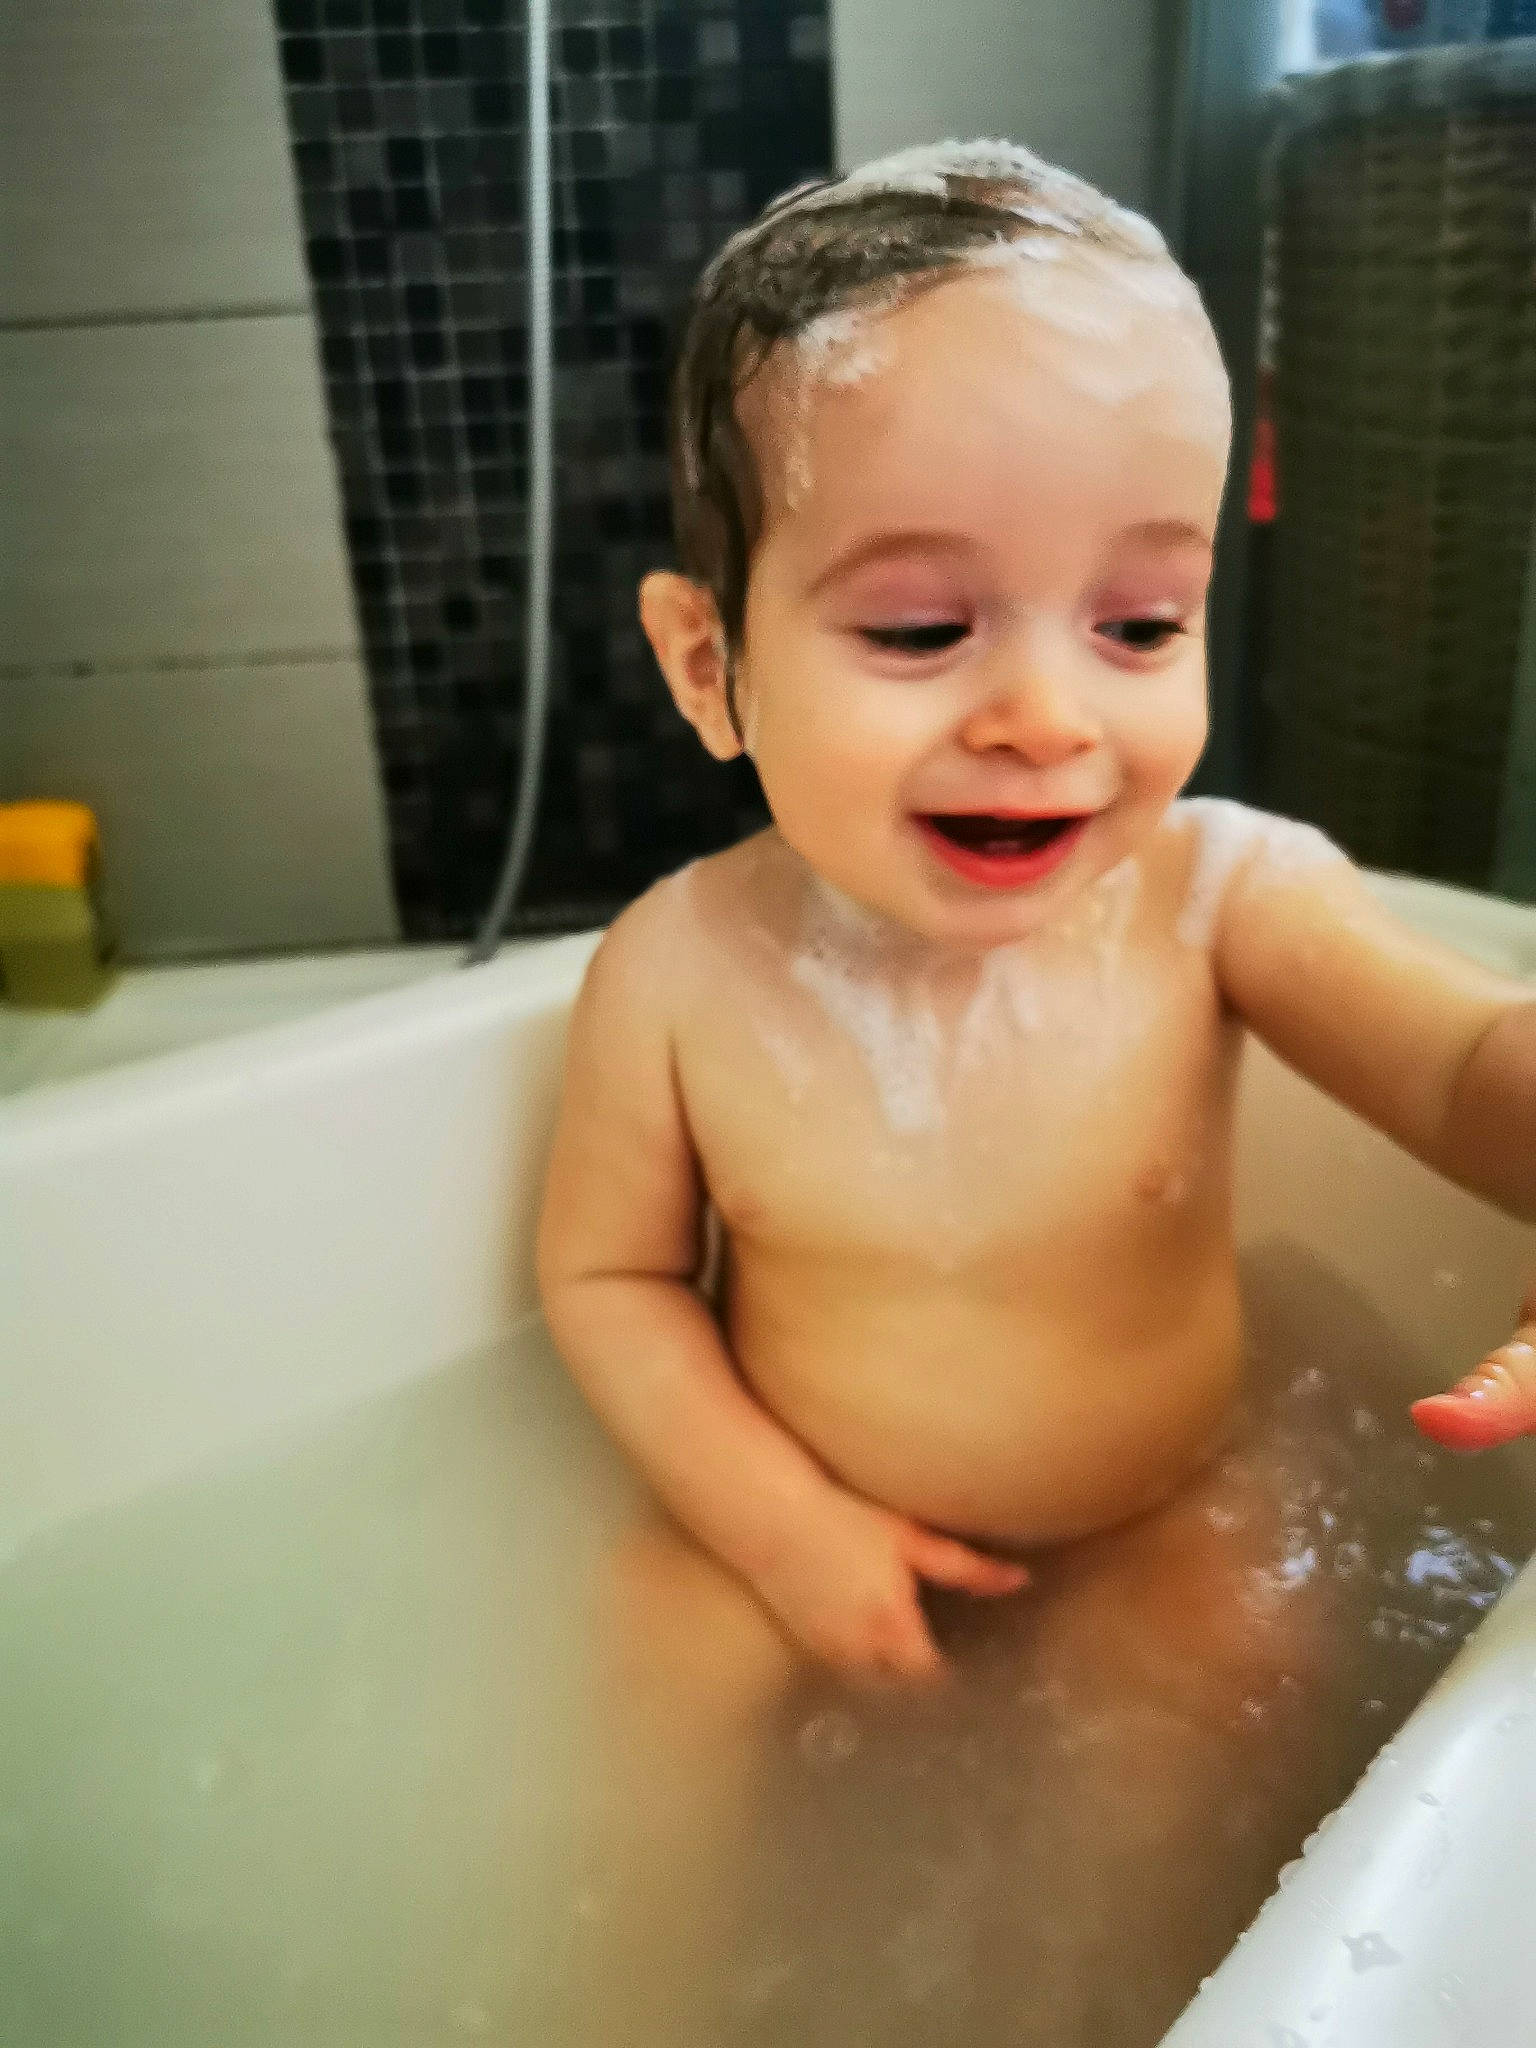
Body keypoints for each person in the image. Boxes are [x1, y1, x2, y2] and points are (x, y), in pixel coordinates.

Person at [535, 140, 1536, 2044]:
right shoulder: (673, 970)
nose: (1051, 716)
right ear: (708, 661)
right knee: (654, 1625)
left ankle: (1100, 1998)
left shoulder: (1224, 900)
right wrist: (779, 1524)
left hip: (1164, 1504)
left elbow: (1473, 1057)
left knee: (1218, 1651)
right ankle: (632, 1998)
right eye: (923, 629)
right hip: (812, 1499)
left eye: (1141, 623)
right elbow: (611, 1282)